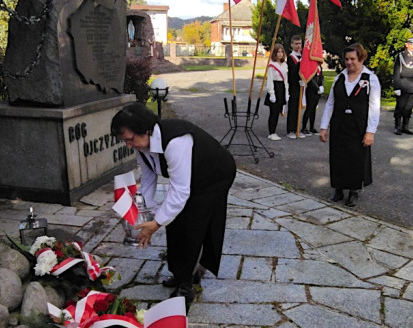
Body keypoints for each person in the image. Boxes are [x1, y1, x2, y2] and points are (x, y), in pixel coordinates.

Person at [111, 103, 237, 305]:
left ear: (146, 130)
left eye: (130, 139)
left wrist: (157, 223)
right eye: (124, 141)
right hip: (190, 177)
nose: (128, 145)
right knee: (175, 222)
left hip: (215, 174)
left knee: (191, 225)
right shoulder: (142, 144)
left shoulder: (176, 142)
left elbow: (180, 191)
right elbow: (148, 176)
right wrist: (144, 212)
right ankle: (180, 274)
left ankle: (187, 285)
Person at [320, 43, 380, 207]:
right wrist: (324, 127)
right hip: (339, 125)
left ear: (361, 58)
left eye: (353, 59)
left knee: (355, 159)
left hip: (358, 126)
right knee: (338, 157)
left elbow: (374, 107)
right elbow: (330, 103)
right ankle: (338, 189)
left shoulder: (370, 79)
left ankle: (354, 191)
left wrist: (370, 132)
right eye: (346, 59)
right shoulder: (339, 78)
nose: (349, 62)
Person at [392, 35, 413, 135]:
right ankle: (397, 126)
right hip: (403, 84)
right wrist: (396, 87)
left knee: (409, 107)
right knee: (400, 107)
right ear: (406, 45)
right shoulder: (401, 56)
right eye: (411, 44)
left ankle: (405, 126)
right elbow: (396, 72)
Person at [263, 43, 288, 140]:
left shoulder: (285, 65)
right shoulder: (272, 65)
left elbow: (286, 80)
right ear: (275, 53)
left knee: (278, 111)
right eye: (278, 52)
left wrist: (287, 93)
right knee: (273, 111)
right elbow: (269, 80)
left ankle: (274, 131)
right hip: (274, 88)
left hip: (282, 88)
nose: (280, 54)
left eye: (282, 52)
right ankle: (271, 132)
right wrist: (271, 93)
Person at [285, 35, 307, 138]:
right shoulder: (291, 58)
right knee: (293, 107)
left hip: (302, 85)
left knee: (300, 107)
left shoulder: (303, 56)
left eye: (300, 43)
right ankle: (291, 130)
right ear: (292, 45)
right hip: (294, 85)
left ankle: (298, 128)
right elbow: (292, 73)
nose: (298, 46)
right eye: (296, 44)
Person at [300, 62, 324, 134]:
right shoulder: (311, 67)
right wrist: (317, 88)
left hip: (318, 90)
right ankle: (304, 127)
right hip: (311, 90)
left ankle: (311, 127)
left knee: (314, 108)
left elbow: (321, 77)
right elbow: (311, 79)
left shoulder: (320, 67)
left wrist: (322, 85)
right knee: (309, 108)